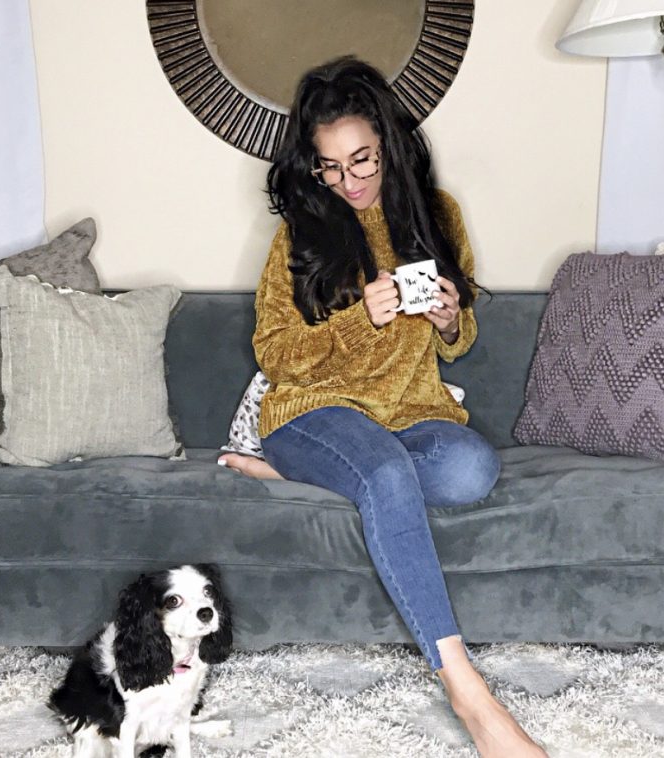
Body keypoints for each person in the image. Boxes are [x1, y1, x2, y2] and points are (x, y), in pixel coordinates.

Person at [218, 57, 548, 758]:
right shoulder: (299, 235)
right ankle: (469, 693)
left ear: (390, 144)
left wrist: (453, 320)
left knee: (472, 470)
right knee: (391, 475)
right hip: (313, 412)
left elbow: (460, 346)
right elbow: (275, 354)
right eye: (330, 168)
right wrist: (353, 321)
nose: (351, 180)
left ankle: (334, 478)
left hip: (407, 413)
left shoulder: (438, 215)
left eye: (362, 159)